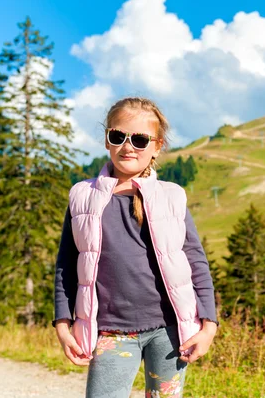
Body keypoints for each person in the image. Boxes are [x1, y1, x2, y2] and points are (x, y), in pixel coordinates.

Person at [52, 97, 218, 398]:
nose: (128, 147)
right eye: (118, 136)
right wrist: (64, 325)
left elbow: (195, 261)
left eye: (140, 139)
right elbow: (66, 264)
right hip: (111, 332)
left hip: (170, 332)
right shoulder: (82, 197)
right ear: (107, 140)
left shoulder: (172, 197)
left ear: (157, 146)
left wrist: (209, 325)